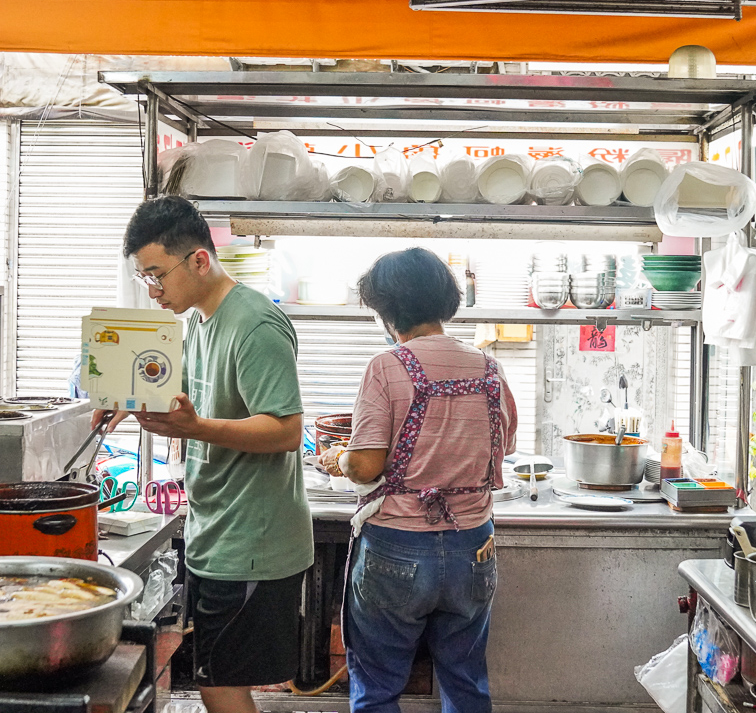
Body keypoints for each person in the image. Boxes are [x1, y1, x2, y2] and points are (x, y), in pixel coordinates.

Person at [94, 196, 313, 713]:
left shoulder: (254, 325)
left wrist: (195, 428)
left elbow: (285, 430)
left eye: (157, 274)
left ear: (198, 259)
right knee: (219, 680)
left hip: (252, 540)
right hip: (217, 533)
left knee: (220, 686)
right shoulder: (197, 321)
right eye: (144, 276)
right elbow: (186, 398)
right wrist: (126, 400)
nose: (153, 289)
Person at [319, 247, 518, 713]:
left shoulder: (387, 367)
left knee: (379, 685)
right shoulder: (490, 367)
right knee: (466, 681)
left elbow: (365, 465)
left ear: (387, 313)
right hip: (474, 544)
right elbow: (503, 447)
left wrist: (339, 459)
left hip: (398, 547)